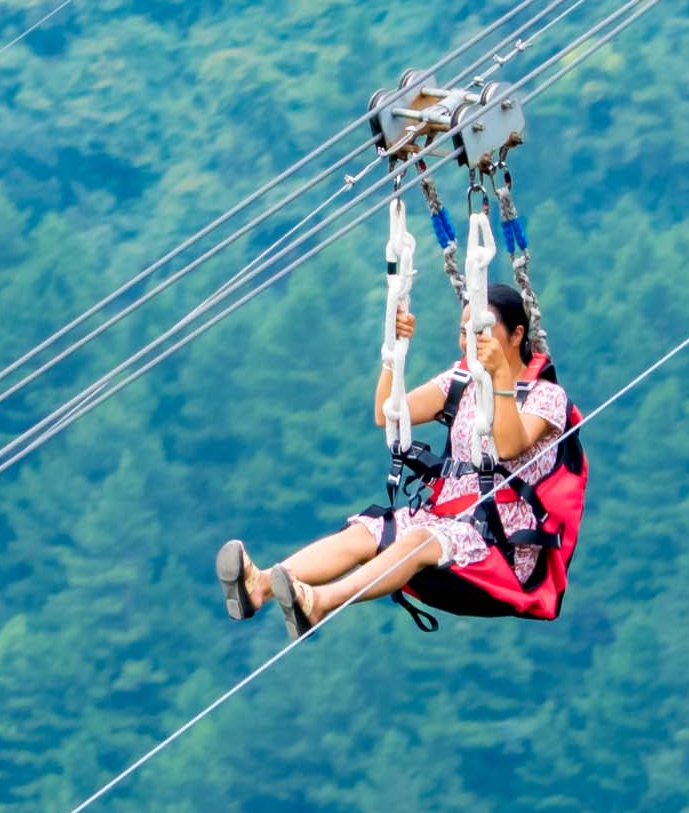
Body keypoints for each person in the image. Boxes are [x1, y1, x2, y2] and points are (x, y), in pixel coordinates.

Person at [223, 256, 589, 633]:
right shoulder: (460, 381)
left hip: (501, 545)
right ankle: (260, 586)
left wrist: (498, 378)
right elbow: (389, 414)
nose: (469, 342)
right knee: (366, 531)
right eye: (464, 332)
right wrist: (393, 356)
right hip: (447, 519)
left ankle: (322, 603)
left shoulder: (547, 398)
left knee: (417, 539)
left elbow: (509, 445)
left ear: (515, 336)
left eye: (481, 332)